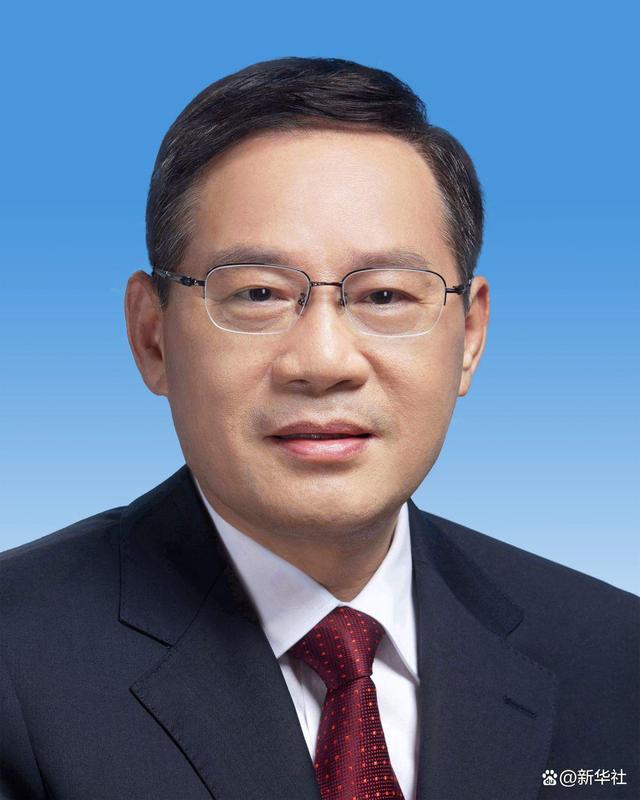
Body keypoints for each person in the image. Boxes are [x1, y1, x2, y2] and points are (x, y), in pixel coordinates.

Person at [0, 56, 637, 800]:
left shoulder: (613, 655)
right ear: (153, 337)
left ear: (469, 336)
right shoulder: (15, 663)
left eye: (386, 295)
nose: (324, 362)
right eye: (259, 294)